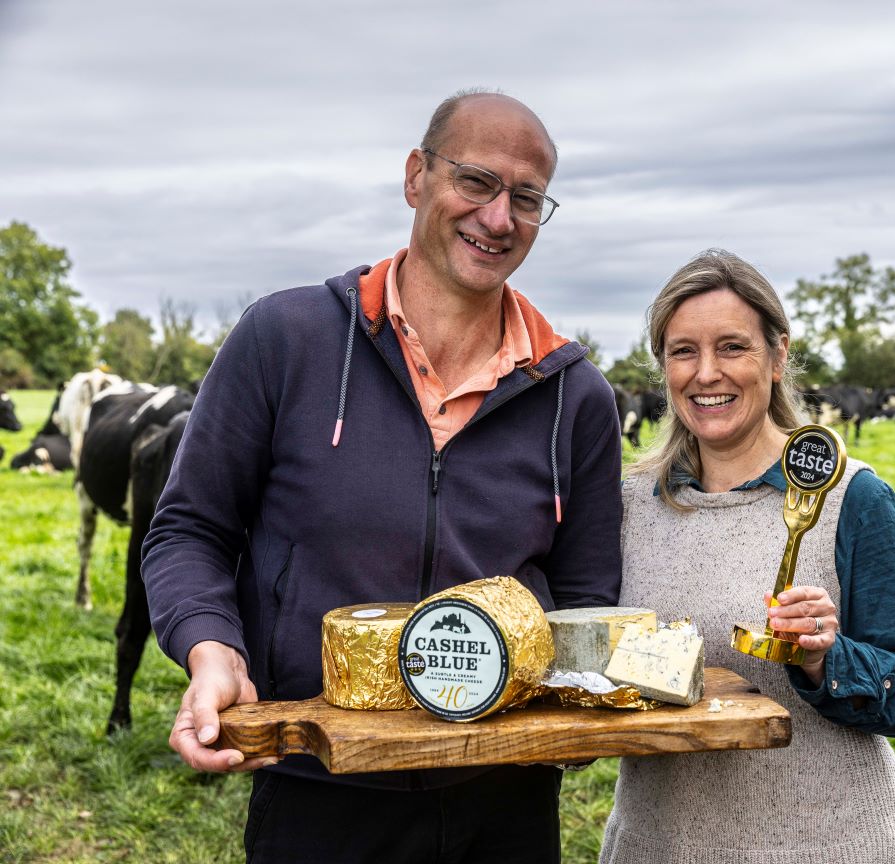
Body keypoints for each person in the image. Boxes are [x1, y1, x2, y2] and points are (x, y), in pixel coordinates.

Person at [142, 89, 623, 864]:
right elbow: (190, 529)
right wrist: (210, 647)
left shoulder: (577, 396)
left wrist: (577, 715)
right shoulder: (286, 339)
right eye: (476, 181)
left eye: (526, 198)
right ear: (415, 177)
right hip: (320, 782)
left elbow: (589, 594)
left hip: (504, 801)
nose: (498, 218)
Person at [601, 249, 895, 864]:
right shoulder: (628, 503)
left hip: (825, 845)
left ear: (778, 356)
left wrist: (824, 659)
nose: (707, 373)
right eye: (684, 351)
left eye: (733, 347)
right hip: (655, 844)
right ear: (664, 367)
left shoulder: (852, 496)